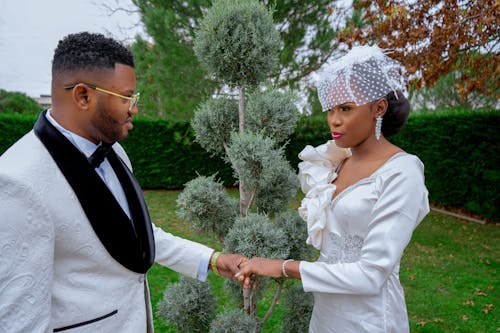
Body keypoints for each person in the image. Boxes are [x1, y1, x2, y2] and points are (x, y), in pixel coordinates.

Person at [0, 32, 246, 332]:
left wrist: (212, 259)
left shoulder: (114, 149)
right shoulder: (17, 181)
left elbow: (133, 232)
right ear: (83, 95)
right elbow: (19, 321)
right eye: (127, 97)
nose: (135, 108)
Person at [236, 45, 430, 332]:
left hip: (370, 319)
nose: (334, 120)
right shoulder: (335, 161)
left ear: (379, 108)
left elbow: (371, 274)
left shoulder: (402, 172)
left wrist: (282, 267)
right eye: (330, 109)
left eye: (346, 108)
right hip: (326, 315)